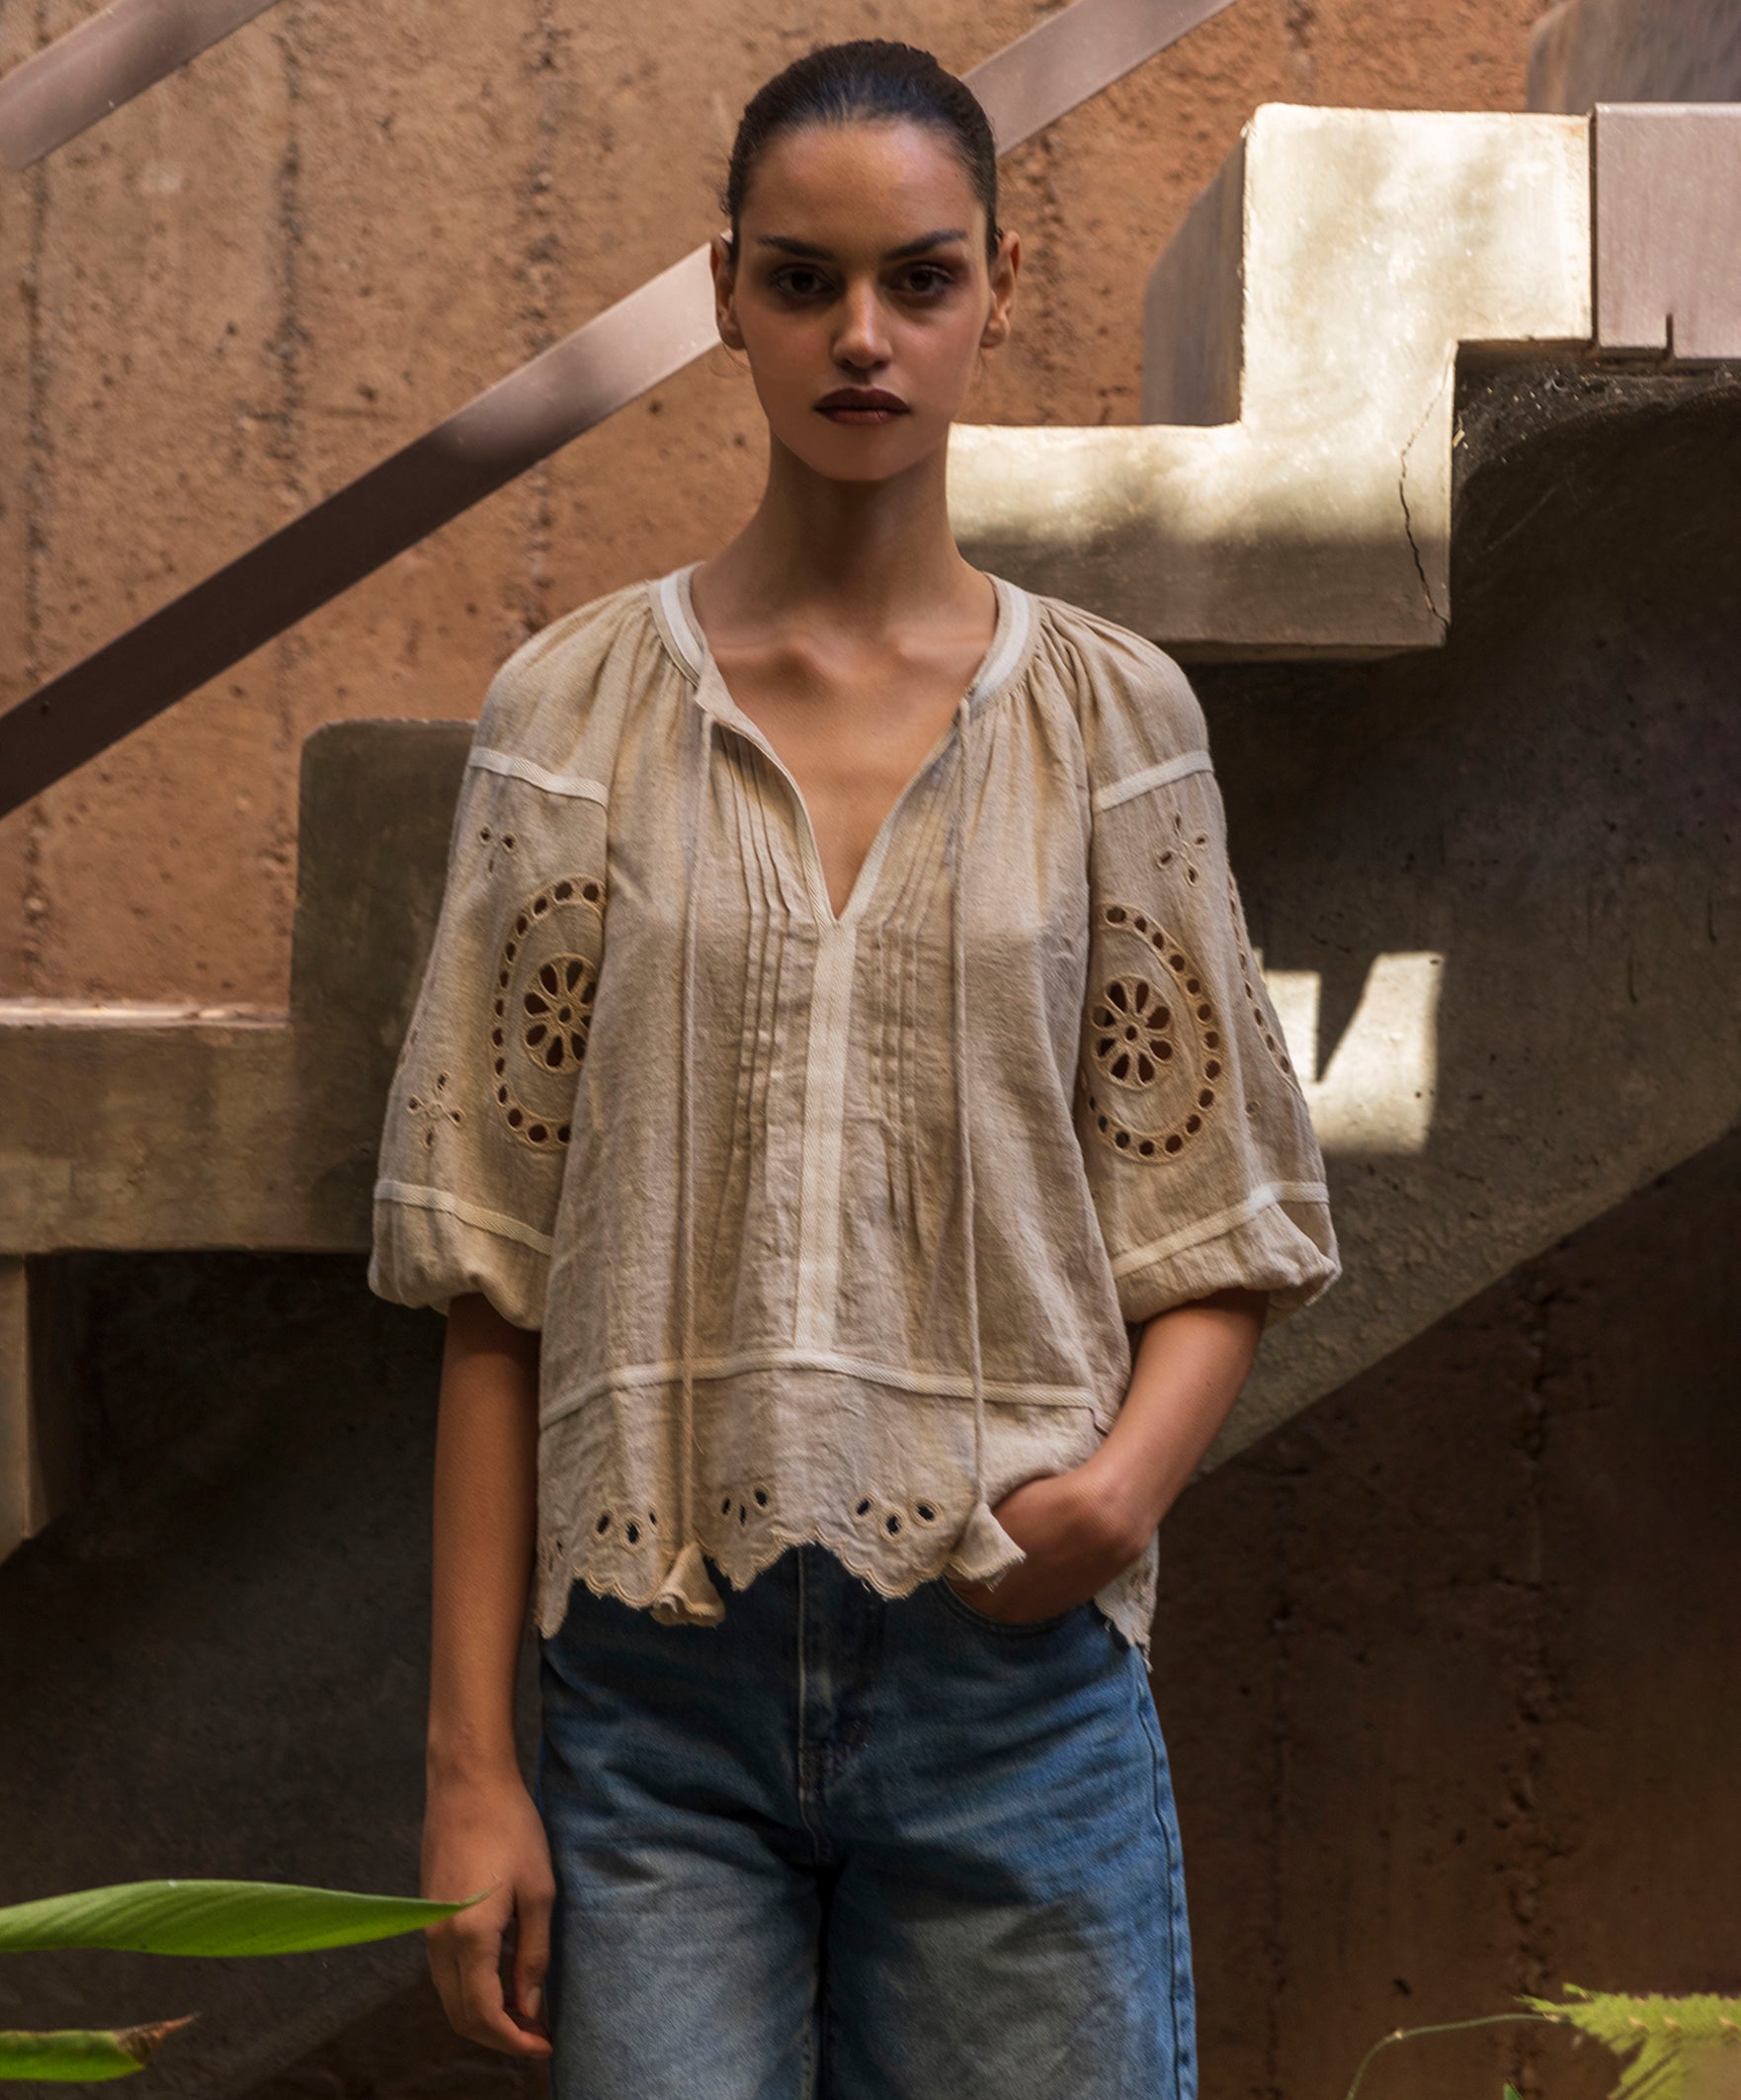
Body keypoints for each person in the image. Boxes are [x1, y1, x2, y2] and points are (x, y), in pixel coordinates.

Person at [367, 38, 1338, 2100]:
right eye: (802, 282)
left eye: (917, 277)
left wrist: (1110, 1502)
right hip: (649, 1697)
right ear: (726, 291)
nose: (861, 337)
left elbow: (1221, 1221)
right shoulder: (571, 716)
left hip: (1010, 1676)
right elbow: (486, 1278)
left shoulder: (1108, 721)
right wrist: (473, 1775)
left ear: (992, 283)